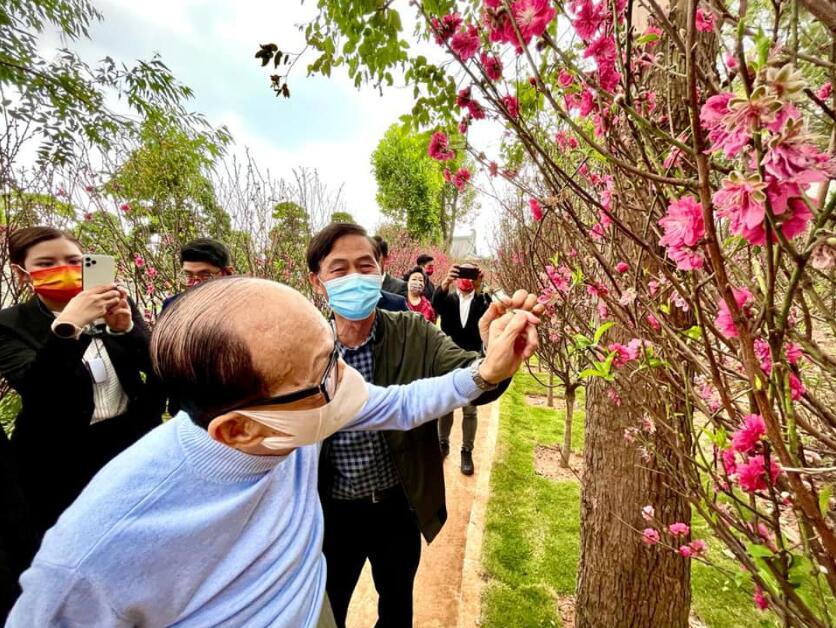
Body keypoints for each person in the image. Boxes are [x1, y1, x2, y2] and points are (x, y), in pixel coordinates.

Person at [7, 277, 538, 627]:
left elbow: (400, 403)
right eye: (322, 373)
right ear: (238, 431)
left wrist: (485, 372)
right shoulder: (94, 551)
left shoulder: (295, 416)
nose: (346, 381)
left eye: (333, 355)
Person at [307, 223, 543, 626]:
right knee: (328, 612)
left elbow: (472, 380)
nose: (355, 278)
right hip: (332, 513)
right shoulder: (302, 349)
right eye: (339, 270)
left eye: (365, 266)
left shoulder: (413, 333)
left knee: (397, 608)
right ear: (317, 282)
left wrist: (493, 353)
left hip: (396, 507)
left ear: (381, 269)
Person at [0, 227, 165, 556]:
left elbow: (157, 366)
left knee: (129, 536)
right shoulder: (10, 324)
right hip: (56, 456)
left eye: (74, 260)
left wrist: (127, 329)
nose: (64, 268)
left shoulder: (116, 304)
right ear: (21, 274)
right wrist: (67, 327)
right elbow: (38, 389)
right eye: (47, 262)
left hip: (124, 442)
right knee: (69, 543)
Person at [432, 263, 493, 475]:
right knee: (445, 406)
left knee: (470, 409)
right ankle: (442, 444)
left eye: (471, 274)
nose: (466, 279)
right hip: (448, 359)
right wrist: (446, 282)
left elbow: (490, 311)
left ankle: (466, 450)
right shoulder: (448, 299)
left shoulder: (481, 300)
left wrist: (480, 287)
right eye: (463, 274)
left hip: (472, 360)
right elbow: (436, 303)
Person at [160, 237, 234, 311]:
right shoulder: (171, 306)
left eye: (206, 275)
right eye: (188, 275)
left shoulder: (239, 308)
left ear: (227, 273)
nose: (195, 284)